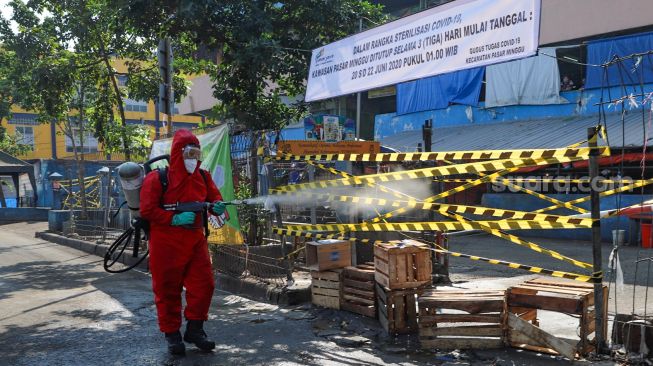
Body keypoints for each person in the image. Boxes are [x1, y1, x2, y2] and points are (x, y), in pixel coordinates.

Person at [140, 129, 226, 355]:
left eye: (196, 153)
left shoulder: (204, 177)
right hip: (165, 242)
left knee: (204, 284)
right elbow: (147, 210)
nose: (192, 158)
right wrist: (173, 218)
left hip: (195, 240)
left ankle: (195, 330)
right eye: (189, 153)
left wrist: (217, 205)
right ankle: (172, 335)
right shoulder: (158, 178)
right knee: (168, 289)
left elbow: (214, 197)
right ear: (178, 153)